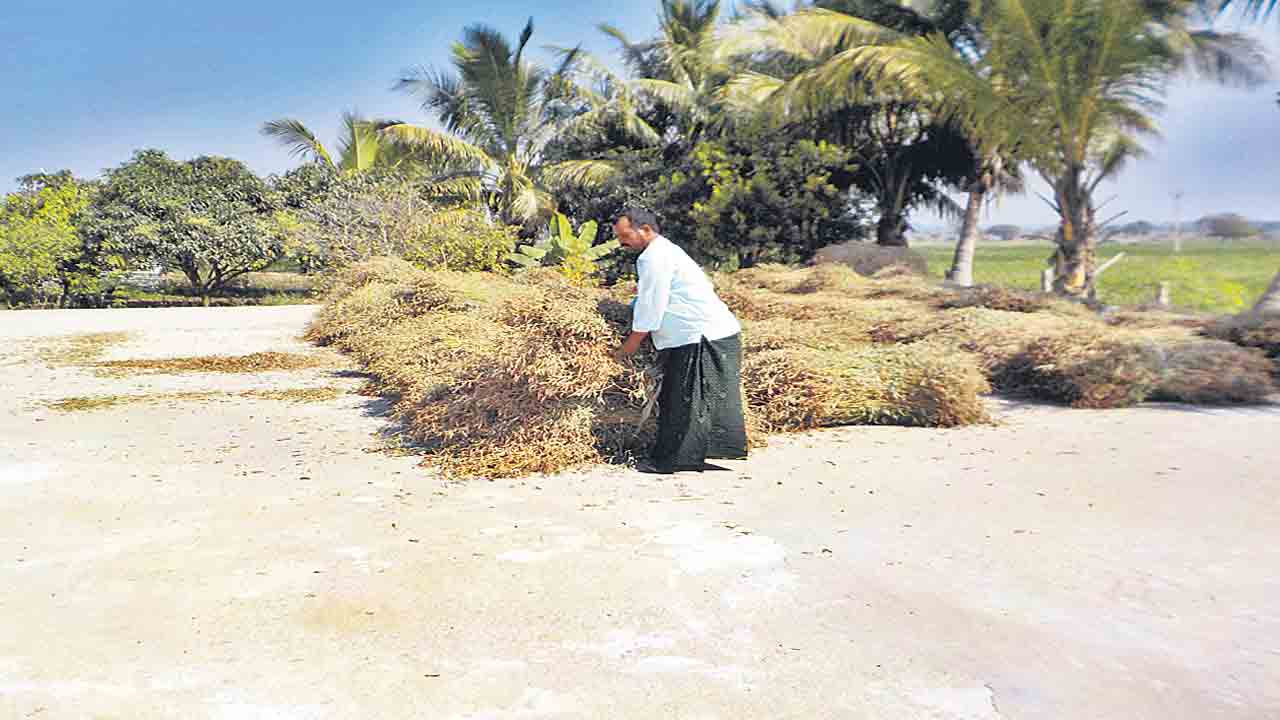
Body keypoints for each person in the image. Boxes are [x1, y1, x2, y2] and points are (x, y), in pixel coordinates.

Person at [612, 207, 748, 474]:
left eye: (625, 235)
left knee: (686, 399)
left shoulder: (653, 257)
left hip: (700, 335)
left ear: (646, 230)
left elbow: (651, 307)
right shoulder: (664, 251)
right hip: (702, 333)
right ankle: (692, 456)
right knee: (689, 397)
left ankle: (674, 461)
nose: (621, 243)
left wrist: (627, 347)